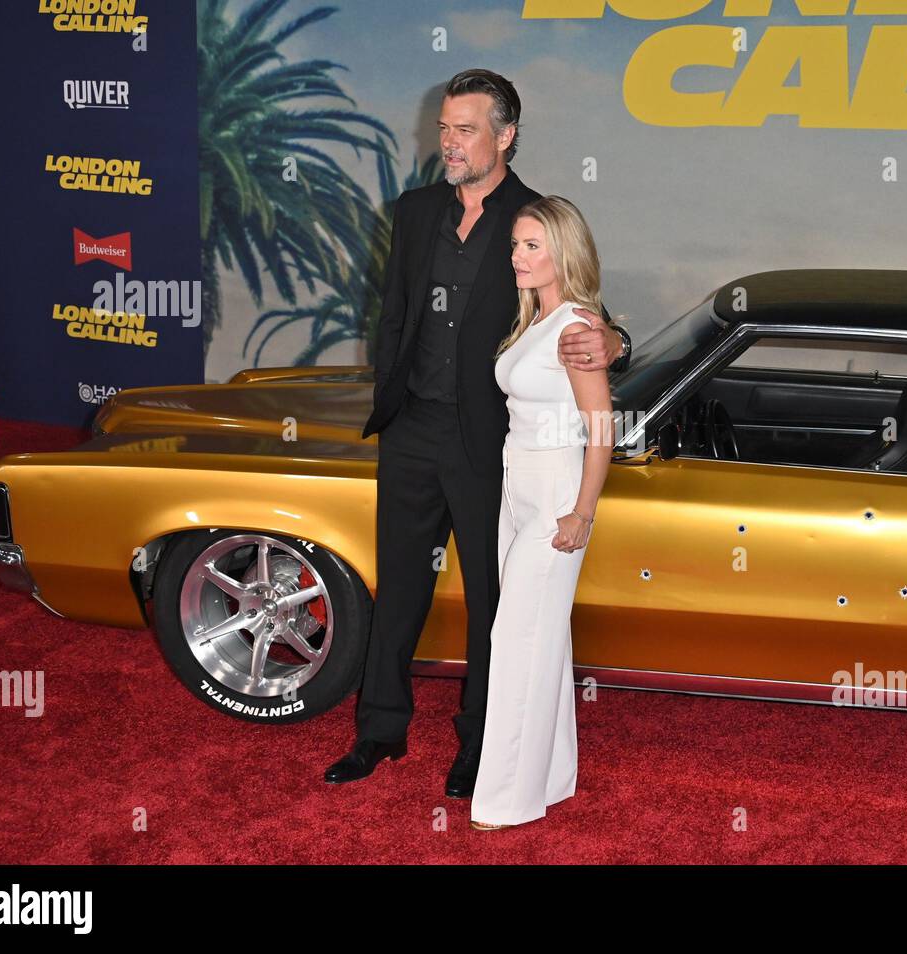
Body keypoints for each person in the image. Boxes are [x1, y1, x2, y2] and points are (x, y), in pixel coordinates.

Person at [323, 69, 632, 797]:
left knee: (493, 601)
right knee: (398, 586)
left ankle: (481, 741)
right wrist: (388, 393)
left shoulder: (534, 217)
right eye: (444, 129)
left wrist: (614, 341)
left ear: (506, 135)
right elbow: (395, 311)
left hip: (491, 444)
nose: (450, 142)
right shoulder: (415, 209)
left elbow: (585, 302)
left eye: (466, 129)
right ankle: (379, 732)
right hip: (411, 432)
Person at [469, 197, 614, 830]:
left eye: (533, 246)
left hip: (557, 493)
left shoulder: (577, 326)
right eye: (515, 246)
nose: (518, 257)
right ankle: (552, 776)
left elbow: (602, 429)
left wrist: (581, 514)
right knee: (541, 640)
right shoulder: (537, 320)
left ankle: (505, 798)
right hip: (517, 489)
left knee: (516, 640)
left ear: (563, 251)